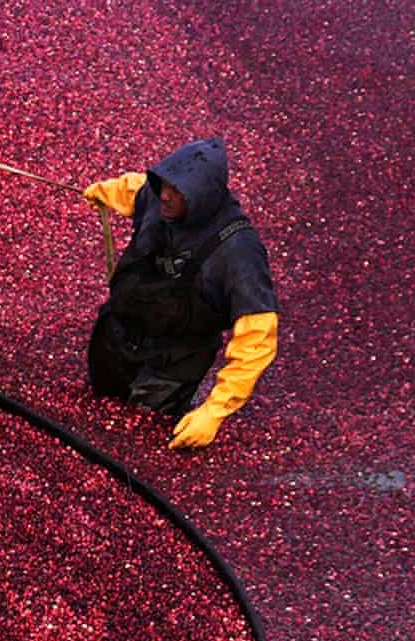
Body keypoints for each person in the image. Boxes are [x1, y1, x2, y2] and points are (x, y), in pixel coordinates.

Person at [83, 138, 280, 450]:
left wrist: (214, 411)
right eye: (163, 184)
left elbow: (258, 337)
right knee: (92, 419)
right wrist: (103, 192)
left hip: (172, 364)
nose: (165, 196)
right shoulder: (157, 198)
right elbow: (134, 189)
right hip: (116, 338)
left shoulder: (238, 251)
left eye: (176, 191)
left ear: (201, 196)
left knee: (136, 444)